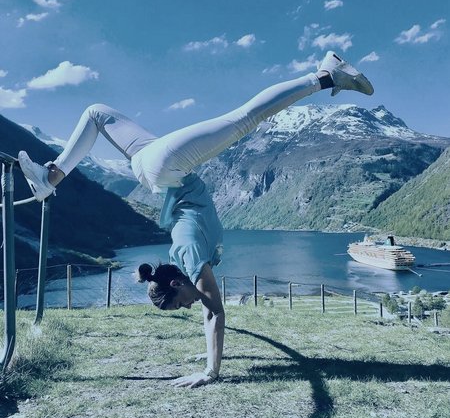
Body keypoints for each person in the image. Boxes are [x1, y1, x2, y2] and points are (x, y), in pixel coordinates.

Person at [18, 51, 373, 387]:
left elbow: (214, 313)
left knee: (245, 118)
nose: (190, 305)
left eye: (181, 303)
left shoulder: (188, 254)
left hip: (166, 168)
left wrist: (210, 371)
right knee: (95, 113)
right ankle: (51, 177)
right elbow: (208, 308)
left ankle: (325, 76)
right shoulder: (188, 257)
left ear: (177, 285)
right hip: (148, 163)